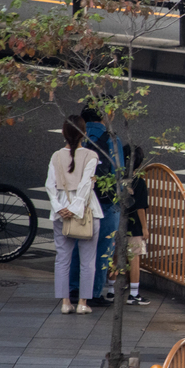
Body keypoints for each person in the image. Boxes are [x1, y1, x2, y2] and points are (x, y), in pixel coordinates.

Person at [46, 116, 103, 314]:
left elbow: (50, 185)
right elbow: (86, 185)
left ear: (63, 133)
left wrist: (58, 206)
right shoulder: (91, 156)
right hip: (87, 211)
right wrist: (76, 207)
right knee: (88, 260)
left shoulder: (56, 156)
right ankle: (82, 303)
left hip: (61, 211)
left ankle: (65, 302)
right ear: (84, 134)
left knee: (62, 258)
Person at [68, 104, 124, 307]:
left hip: (80, 199)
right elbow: (118, 173)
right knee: (103, 248)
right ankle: (93, 292)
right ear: (106, 115)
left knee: (77, 244)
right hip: (106, 201)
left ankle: (73, 289)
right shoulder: (111, 139)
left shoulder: (77, 135)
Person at [122, 146, 150, 305]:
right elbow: (140, 207)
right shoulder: (139, 182)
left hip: (118, 224)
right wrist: (144, 228)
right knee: (134, 259)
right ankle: (133, 294)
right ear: (139, 163)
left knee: (116, 257)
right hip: (134, 227)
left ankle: (111, 291)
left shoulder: (116, 180)